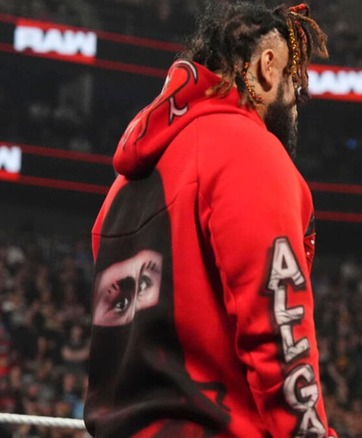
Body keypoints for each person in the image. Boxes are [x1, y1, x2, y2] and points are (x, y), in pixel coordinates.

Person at [84, 2, 336, 437]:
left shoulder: (121, 188)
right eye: (297, 84)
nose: (296, 103)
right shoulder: (249, 151)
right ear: (267, 66)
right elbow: (278, 326)